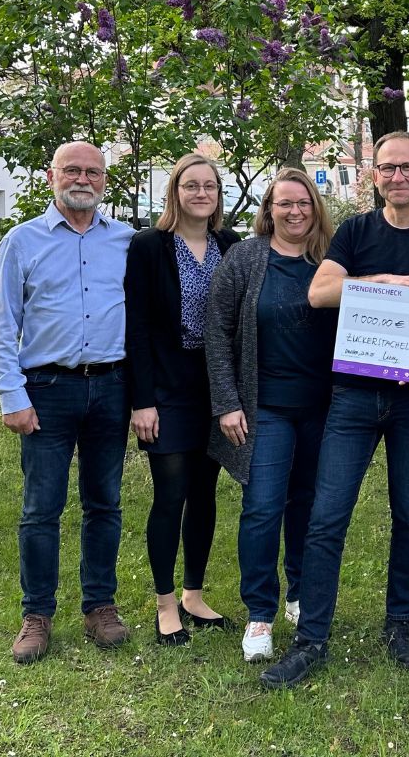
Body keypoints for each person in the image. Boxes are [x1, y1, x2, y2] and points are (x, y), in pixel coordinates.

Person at [259, 131, 409, 688]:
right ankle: (312, 639)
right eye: (386, 168)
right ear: (374, 177)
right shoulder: (355, 231)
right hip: (352, 396)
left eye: (407, 168)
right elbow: (320, 293)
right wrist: (383, 282)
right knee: (328, 517)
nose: (397, 177)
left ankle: (400, 624)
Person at [0, 141, 135, 664]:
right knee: (40, 507)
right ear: (52, 175)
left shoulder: (126, 241)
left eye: (93, 172)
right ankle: (37, 614)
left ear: (104, 181)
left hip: (112, 388)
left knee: (104, 502)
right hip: (46, 390)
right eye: (72, 169)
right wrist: (11, 393)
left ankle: (100, 605)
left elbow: (141, 323)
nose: (83, 179)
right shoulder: (22, 241)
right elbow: (3, 325)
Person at [205, 168, 338, 663]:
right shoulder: (245, 258)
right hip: (265, 409)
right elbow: (217, 331)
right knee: (263, 508)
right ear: (269, 210)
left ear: (315, 207)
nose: (295, 211)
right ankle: (259, 613)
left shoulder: (331, 259)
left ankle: (300, 595)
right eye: (284, 203)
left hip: (323, 409)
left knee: (308, 506)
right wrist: (227, 402)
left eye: (303, 202)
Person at [124, 153, 241, 645]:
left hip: (214, 387)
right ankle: (165, 603)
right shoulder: (150, 246)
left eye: (209, 186)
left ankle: (194, 594)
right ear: (175, 192)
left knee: (205, 495)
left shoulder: (230, 244)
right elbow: (138, 325)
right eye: (190, 185)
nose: (200, 193)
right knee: (170, 494)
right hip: (166, 388)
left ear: (218, 195)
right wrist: (141, 400)